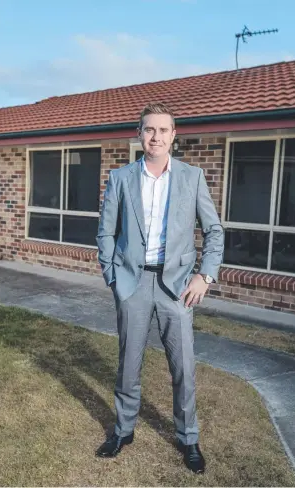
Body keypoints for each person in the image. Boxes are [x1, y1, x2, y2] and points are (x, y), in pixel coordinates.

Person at [96, 102, 224, 474]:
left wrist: (205, 276)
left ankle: (188, 438)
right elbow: (105, 232)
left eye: (163, 130)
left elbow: (214, 231)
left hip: (177, 286)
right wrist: (113, 277)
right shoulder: (120, 178)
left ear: (173, 136)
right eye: (149, 130)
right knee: (128, 363)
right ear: (139, 134)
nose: (156, 137)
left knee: (182, 365)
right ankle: (123, 430)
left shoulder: (192, 177)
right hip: (133, 283)